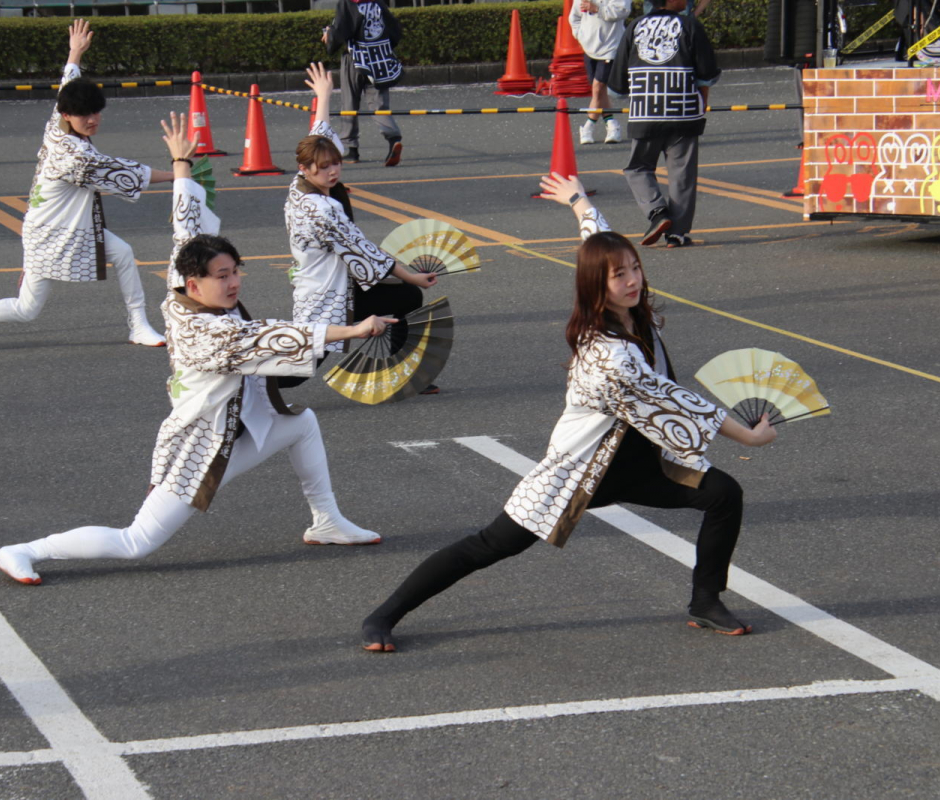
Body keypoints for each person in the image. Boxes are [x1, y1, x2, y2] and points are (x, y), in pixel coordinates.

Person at [359, 173, 777, 653]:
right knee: (490, 545)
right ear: (596, 286)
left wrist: (579, 202)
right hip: (578, 472)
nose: (633, 280)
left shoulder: (629, 313)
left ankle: (705, 602)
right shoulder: (608, 352)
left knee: (723, 494)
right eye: (618, 275)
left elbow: (595, 241)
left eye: (634, 268)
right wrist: (748, 438)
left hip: (639, 463)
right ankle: (384, 615)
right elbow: (676, 402)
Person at [0, 113, 393, 586]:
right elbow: (267, 337)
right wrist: (353, 330)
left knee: (302, 423)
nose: (234, 282)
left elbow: (185, 223)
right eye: (223, 277)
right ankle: (24, 550)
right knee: (135, 542)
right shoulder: (207, 332)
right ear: (196, 283)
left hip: (238, 429)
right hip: (198, 448)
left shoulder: (183, 280)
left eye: (236, 271)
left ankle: (327, 521)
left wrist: (181, 163)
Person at [0, 20, 176, 355]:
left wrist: (75, 53)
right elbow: (122, 171)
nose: (93, 120)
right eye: (85, 115)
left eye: (97, 113)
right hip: (52, 231)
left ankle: (138, 324)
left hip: (73, 225)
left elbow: (67, 84)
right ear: (69, 115)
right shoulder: (74, 155)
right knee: (26, 309)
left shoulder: (58, 123)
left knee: (124, 253)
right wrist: (178, 173)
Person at [278, 63, 437, 391]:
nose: (333, 172)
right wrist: (414, 275)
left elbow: (320, 133)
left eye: (336, 163)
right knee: (298, 372)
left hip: (340, 284)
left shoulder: (300, 184)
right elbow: (365, 254)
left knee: (406, 297)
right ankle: (243, 382)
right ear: (305, 169)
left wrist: (324, 94)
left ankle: (403, 372)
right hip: (325, 294)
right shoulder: (322, 210)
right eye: (324, 168)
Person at [611, 0, 720, 249]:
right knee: (682, 174)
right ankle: (677, 234)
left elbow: (617, 86)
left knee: (638, 167)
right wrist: (702, 100)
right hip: (684, 111)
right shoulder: (690, 25)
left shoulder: (635, 26)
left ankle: (657, 212)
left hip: (645, 113)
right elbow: (707, 73)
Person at [322, 0, 404, 166]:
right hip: (379, 58)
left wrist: (329, 36)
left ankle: (351, 148)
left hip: (355, 59)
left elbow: (342, 29)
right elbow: (394, 29)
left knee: (349, 103)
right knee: (379, 105)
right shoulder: (378, 3)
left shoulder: (348, 3)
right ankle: (393, 138)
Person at [570, 0, 632, 145]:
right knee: (599, 90)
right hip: (589, 47)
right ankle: (612, 124)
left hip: (611, 47)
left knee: (598, 87)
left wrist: (597, 8)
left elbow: (623, 11)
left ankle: (588, 126)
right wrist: (580, 35)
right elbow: (574, 17)